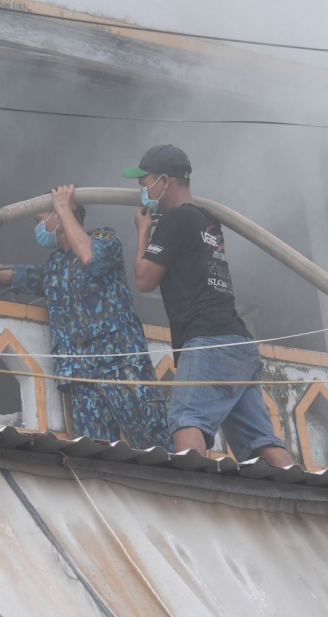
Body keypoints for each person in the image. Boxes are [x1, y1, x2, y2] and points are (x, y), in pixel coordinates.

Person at [0, 185, 169, 450]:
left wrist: (63, 207)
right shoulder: (54, 267)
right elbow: (8, 274)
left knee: (154, 445)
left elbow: (90, 256)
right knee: (94, 456)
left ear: (62, 214)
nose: (38, 224)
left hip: (122, 368)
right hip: (81, 381)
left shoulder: (105, 239)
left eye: (42, 217)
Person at [124, 144, 293, 466]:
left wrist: (143, 232)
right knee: (260, 439)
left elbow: (145, 279)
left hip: (207, 342)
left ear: (163, 180)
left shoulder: (174, 220)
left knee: (186, 420)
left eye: (144, 182)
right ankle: (307, 499)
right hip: (238, 343)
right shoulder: (207, 220)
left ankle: (193, 499)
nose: (142, 190)